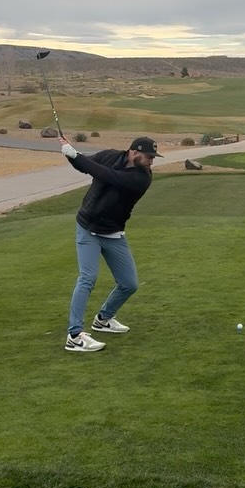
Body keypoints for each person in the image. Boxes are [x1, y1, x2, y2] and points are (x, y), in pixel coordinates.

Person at [58, 134, 163, 352]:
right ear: (134, 153)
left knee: (129, 284)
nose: (151, 161)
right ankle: (75, 335)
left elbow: (108, 176)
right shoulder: (110, 156)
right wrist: (70, 153)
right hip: (88, 228)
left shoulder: (142, 178)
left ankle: (103, 319)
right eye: (148, 156)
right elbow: (84, 165)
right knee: (87, 278)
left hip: (113, 233)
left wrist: (76, 154)